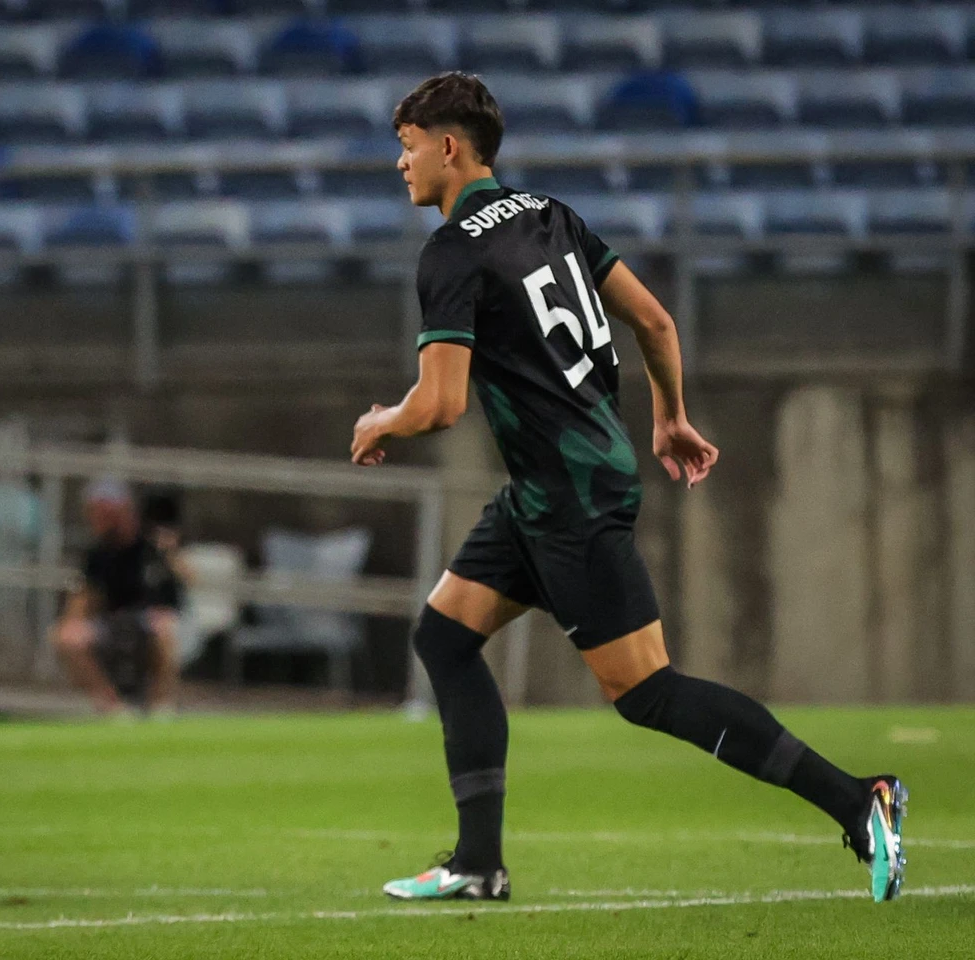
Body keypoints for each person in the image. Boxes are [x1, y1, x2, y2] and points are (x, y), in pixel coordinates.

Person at [350, 73, 906, 905]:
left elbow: (441, 404)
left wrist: (382, 421)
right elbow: (655, 322)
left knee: (646, 690)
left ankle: (858, 801)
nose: (400, 164)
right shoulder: (553, 217)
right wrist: (670, 416)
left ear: (448, 147)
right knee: (445, 634)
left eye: (406, 146)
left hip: (567, 497)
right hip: (557, 483)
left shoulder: (453, 250)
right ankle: (477, 864)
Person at [51, 478, 181, 714]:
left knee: (164, 629)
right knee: (66, 637)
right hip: (114, 623)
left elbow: (184, 580)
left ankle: (161, 706)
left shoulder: (152, 544)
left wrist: (171, 555)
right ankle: (114, 708)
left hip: (152, 620)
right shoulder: (98, 553)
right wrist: (72, 621)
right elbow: (83, 596)